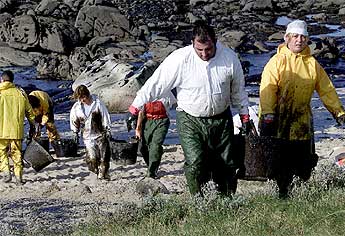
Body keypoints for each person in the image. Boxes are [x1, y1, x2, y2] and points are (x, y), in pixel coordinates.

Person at [129, 20, 250, 196]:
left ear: (215, 42)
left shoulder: (229, 58)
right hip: (189, 119)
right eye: (199, 49)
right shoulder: (180, 59)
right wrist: (135, 107)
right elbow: (156, 83)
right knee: (195, 162)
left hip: (221, 118)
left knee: (227, 163)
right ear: (192, 43)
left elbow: (238, 90)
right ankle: (198, 200)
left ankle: (227, 200)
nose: (204, 54)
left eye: (208, 49)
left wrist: (244, 115)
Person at [259, 19, 345, 198]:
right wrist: (268, 113)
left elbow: (326, 89)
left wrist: (337, 111)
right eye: (295, 37)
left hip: (301, 120)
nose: (299, 40)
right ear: (287, 39)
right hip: (278, 119)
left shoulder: (312, 64)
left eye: (303, 37)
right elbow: (267, 89)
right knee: (279, 160)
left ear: (307, 40)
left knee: (303, 160)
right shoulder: (276, 62)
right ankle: (282, 194)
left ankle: (300, 192)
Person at [0, 70, 36, 184]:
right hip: (16, 130)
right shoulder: (20, 93)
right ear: (12, 80)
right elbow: (30, 112)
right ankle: (19, 177)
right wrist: (32, 125)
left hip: (1, 130)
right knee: (17, 154)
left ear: (2, 79)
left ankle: (6, 173)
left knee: (2, 152)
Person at [70, 85, 112, 180]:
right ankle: (96, 170)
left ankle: (103, 175)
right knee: (91, 159)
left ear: (87, 95)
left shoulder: (98, 103)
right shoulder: (77, 107)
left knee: (103, 157)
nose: (82, 100)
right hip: (87, 136)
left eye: (83, 97)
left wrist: (108, 129)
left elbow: (105, 116)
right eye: (80, 98)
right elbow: (74, 119)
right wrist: (74, 132)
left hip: (101, 134)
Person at [134, 93, 176, 179]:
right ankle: (151, 166)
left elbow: (174, 103)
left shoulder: (167, 92)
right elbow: (141, 112)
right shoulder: (145, 93)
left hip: (162, 121)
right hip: (147, 121)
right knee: (144, 148)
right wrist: (138, 128)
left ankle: (151, 173)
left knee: (156, 146)